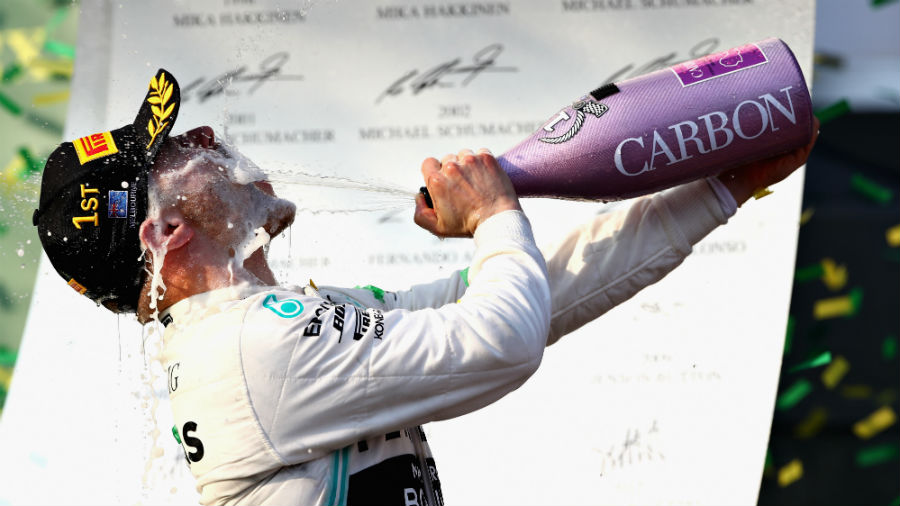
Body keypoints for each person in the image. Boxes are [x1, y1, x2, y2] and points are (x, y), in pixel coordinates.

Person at [33, 69, 817, 506]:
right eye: (175, 152)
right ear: (164, 234)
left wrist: (724, 188)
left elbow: (536, 299)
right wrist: (494, 214)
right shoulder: (255, 348)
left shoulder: (257, 330)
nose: (205, 139)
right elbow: (503, 342)